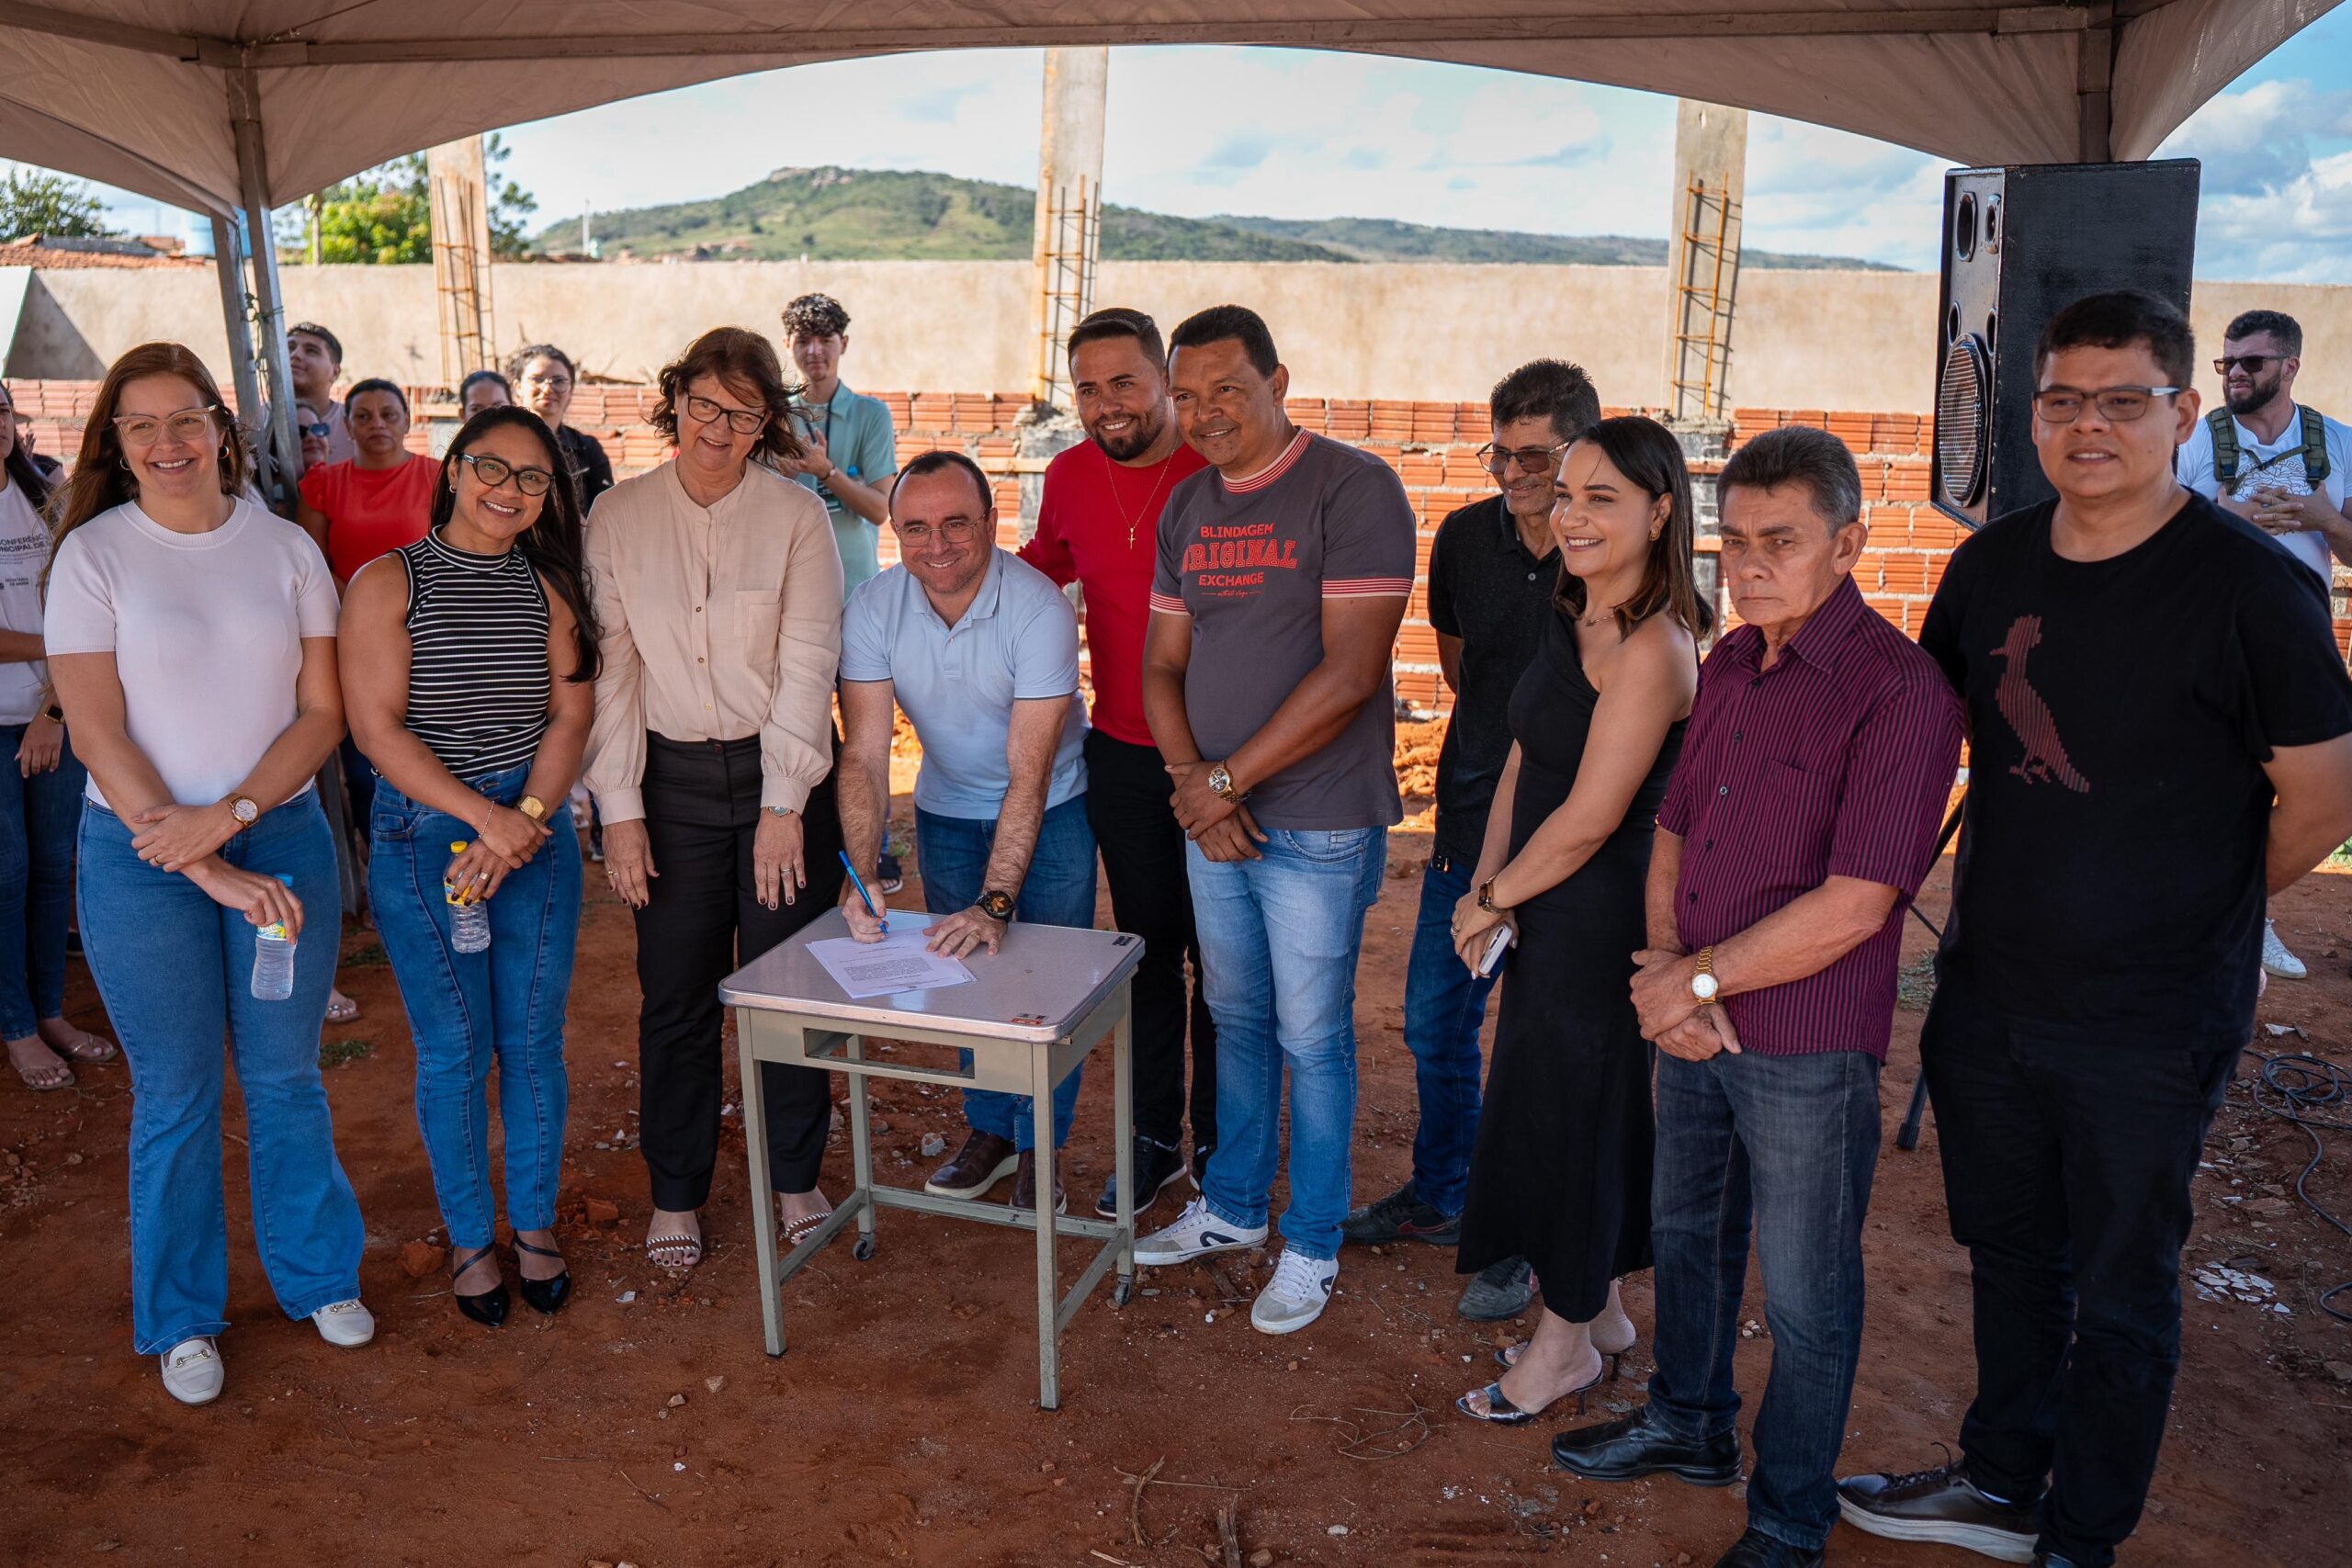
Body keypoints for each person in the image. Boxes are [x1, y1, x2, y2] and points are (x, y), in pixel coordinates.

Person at [1838, 291, 2352, 1568]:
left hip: (2152, 1016)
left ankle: (2084, 1534)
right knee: (2012, 1254)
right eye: (2064, 400)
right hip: (1994, 990)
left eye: (2125, 400)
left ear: (2183, 413)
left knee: (2122, 1290)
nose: (2090, 425)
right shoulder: (1991, 566)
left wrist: (2193, 904)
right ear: (2033, 416)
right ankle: (2002, 1483)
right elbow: (1930, 729)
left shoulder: (2251, 588)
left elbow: (2323, 797)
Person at [1551, 424, 1962, 1568]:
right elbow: (1676, 827)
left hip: (1806, 1042)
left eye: (1781, 540)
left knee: (1806, 1293)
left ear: (1848, 545)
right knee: (1687, 1233)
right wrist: (1668, 980)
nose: (1751, 563)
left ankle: (1788, 1515)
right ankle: (1687, 1423)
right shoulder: (1732, 659)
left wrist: (1692, 980)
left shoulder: (1901, 694)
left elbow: (1858, 904)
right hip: (1694, 1017)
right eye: (1734, 540)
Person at [43, 342, 371, 1406]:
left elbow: (321, 713)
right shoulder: (93, 557)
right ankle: (182, 1316)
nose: (167, 442)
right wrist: (200, 861)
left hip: (277, 838)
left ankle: (318, 1275)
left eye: (185, 418)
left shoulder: (285, 549)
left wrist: (230, 824)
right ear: (116, 442)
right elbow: (97, 731)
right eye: (140, 425)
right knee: (177, 1091)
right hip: (140, 859)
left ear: (222, 428)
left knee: (285, 1076)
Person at [1133, 305, 1417, 1336]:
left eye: (1229, 390)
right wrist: (1192, 785)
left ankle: (1313, 1240)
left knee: (1313, 1035)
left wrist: (1223, 783)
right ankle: (1234, 1206)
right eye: (1188, 395)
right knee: (1237, 1017)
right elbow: (1160, 666)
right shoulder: (1188, 504)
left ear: (1278, 382)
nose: (1206, 413)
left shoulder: (1354, 487)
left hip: (1318, 822)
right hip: (1216, 819)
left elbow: (1351, 672)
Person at [1450, 416, 1702, 1427]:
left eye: (1602, 498)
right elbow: (1525, 758)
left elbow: (1594, 816)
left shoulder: (1655, 648)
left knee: (1579, 1114)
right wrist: (1487, 881)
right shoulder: (1574, 608)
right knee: (1548, 1099)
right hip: (1539, 898)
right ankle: (1599, 1314)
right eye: (1567, 495)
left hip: (1600, 915)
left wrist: (1495, 898)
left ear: (1660, 512)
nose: (1573, 515)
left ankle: (1562, 1349)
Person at [1343, 357, 1602, 1324]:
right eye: (1501, 454)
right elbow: (1466, 674)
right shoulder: (1461, 539)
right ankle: (1444, 1193)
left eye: (1537, 457)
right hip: (1466, 832)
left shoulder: (1608, 550)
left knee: (1542, 1053)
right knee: (1436, 1025)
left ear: (1580, 451)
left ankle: (1529, 1236)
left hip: (1575, 849)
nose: (1514, 474)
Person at [583, 327, 848, 1272]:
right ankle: (677, 1190)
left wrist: (784, 806)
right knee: (676, 995)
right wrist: (619, 809)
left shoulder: (798, 517)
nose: (719, 428)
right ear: (676, 400)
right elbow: (612, 670)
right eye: (704, 404)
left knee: (788, 991)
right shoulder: (617, 515)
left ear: (766, 421)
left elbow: (809, 663)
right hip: (670, 787)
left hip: (783, 781)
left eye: (743, 413)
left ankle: (795, 1176)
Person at [343, 405, 596, 1327]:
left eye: (532, 478)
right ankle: (467, 1238)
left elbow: (571, 717)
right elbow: (376, 730)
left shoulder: (552, 587)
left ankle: (531, 1223)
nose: (510, 490)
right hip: (425, 831)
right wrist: (485, 820)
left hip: (531, 828)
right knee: (455, 1046)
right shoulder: (387, 583)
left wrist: (519, 820)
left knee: (530, 1041)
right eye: (493, 467)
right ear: (453, 469)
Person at [838, 450, 1094, 1210]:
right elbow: (864, 755)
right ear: (894, 531)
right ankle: (990, 1130)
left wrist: (997, 900)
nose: (937, 544)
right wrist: (862, 873)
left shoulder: (1039, 608)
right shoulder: (873, 607)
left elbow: (1029, 772)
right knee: (965, 976)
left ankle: (1040, 1144)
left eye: (956, 523)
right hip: (946, 808)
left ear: (991, 521)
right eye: (916, 527)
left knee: (1049, 983)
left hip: (1053, 808)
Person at [1018, 307, 1217, 1217]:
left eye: (1125, 382)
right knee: (1149, 955)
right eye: (1088, 388)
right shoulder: (1067, 474)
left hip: (1228, 765)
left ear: (1164, 380)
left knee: (1226, 969)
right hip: (1126, 759)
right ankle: (1153, 1141)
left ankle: (1223, 1145)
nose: (1107, 404)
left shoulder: (1216, 467)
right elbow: (1039, 570)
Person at [2174, 308, 2350, 982]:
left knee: (2297, 783)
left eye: (2251, 362)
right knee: (2208, 780)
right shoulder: (2192, 440)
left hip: (2300, 643)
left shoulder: (2339, 444)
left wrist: (2326, 518)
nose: (2235, 375)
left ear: (2290, 366)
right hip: (2207, 637)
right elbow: (2152, 540)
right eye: (2227, 363)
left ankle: (2248, 913)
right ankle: (2197, 920)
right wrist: (2223, 517)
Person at [1, 380, 115, 1092]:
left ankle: (49, 1012)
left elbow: (86, 606)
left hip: (56, 712)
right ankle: (16, 1024)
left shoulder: (48, 496)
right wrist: (66, 644)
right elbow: (78, 629)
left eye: (0, 409)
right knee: (6, 871)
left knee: (50, 868)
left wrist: (53, 708)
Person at [777, 293, 898, 592]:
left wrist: (826, 471)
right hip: (788, 581)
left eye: (825, 340)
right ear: (787, 344)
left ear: (843, 343)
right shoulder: (773, 415)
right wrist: (781, 479)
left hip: (854, 585)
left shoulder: (871, 414)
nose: (814, 351)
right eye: (804, 340)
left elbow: (879, 510)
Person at [297, 379, 438, 587]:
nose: (377, 424)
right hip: (342, 604)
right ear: (347, 426)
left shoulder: (439, 476)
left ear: (407, 421)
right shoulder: (321, 485)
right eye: (363, 417)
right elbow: (313, 566)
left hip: (428, 603)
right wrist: (357, 604)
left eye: (388, 415)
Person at [511, 344, 615, 513]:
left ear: (571, 390)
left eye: (559, 381)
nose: (547, 389)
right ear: (518, 387)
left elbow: (607, 511)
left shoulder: (587, 449)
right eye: (537, 379)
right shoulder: (503, 444)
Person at [266, 321, 357, 466]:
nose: (295, 355)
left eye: (311, 351)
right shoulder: (253, 421)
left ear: (335, 372)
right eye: (289, 348)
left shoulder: (355, 423)